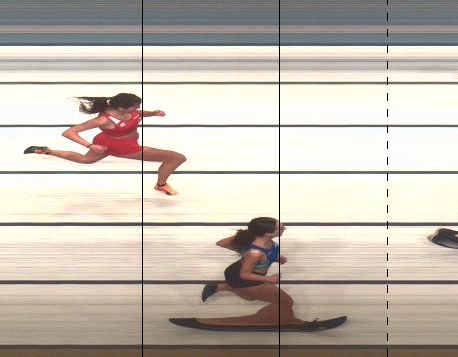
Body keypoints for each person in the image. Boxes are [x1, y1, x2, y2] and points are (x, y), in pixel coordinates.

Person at [23, 93, 186, 195]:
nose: (138, 109)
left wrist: (152, 113)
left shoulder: (128, 111)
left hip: (105, 141)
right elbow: (69, 132)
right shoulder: (103, 120)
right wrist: (90, 146)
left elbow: (137, 113)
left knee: (84, 160)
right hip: (123, 147)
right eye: (135, 106)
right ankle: (161, 185)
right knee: (176, 158)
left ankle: (47, 151)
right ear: (121, 108)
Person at [193, 217, 327, 329]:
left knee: (250, 297)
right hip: (244, 278)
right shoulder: (254, 253)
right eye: (280, 228)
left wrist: (274, 258)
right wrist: (269, 279)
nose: (284, 228)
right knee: (285, 301)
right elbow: (244, 275)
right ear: (267, 233)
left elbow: (222, 243)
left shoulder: (257, 238)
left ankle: (219, 286)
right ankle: (282, 321)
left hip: (239, 272)